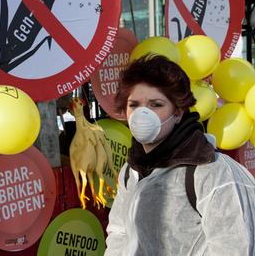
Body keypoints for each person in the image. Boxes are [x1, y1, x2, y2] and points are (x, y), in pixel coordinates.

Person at [105, 54, 255, 255]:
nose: (142, 114)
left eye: (155, 104)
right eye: (134, 105)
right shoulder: (131, 170)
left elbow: (234, 247)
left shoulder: (211, 171)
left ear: (178, 113)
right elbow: (119, 234)